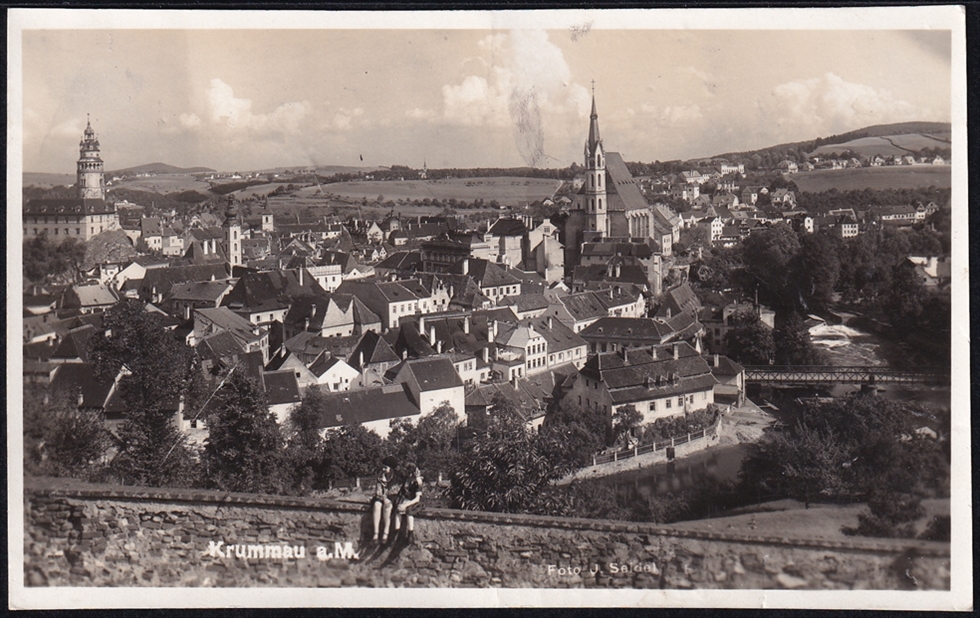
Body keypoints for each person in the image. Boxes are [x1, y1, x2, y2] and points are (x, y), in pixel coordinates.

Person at [393, 462, 423, 545]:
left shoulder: (418, 481)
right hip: (406, 499)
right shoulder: (407, 480)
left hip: (414, 501)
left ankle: (410, 533)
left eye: (410, 472)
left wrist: (406, 504)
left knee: (409, 511)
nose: (408, 474)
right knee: (398, 509)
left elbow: (417, 498)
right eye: (407, 472)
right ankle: (397, 532)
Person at [370, 455, 398, 544]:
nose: (383, 469)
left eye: (385, 467)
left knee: (388, 507)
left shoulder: (396, 478)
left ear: (391, 468)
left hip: (392, 498)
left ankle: (385, 534)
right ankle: (376, 533)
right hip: (382, 497)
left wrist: (386, 498)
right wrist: (383, 497)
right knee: (376, 505)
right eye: (383, 467)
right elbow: (378, 491)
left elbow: (394, 491)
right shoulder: (380, 476)